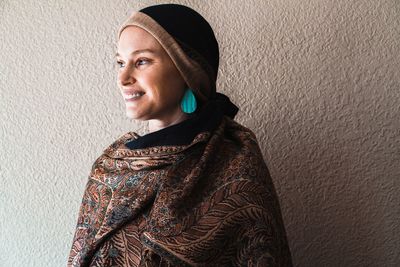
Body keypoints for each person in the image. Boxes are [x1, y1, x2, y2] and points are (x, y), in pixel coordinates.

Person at [68, 4, 292, 267]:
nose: (123, 77)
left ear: (187, 72)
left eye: (142, 61)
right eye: (120, 62)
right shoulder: (111, 166)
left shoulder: (235, 168)